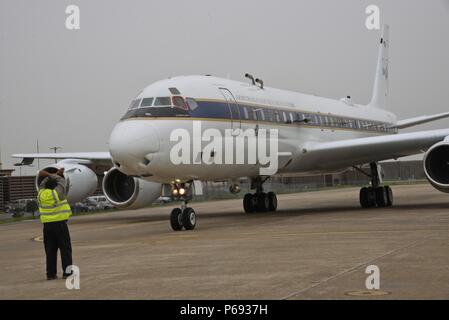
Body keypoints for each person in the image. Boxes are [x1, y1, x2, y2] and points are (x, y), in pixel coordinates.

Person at [37, 168, 73, 280]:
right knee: (65, 250)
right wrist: (55, 174)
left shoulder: (41, 193)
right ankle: (67, 273)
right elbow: (62, 181)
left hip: (47, 227)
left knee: (50, 251)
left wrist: (48, 175)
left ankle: (50, 274)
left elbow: (43, 184)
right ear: (55, 185)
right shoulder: (58, 193)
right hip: (60, 225)